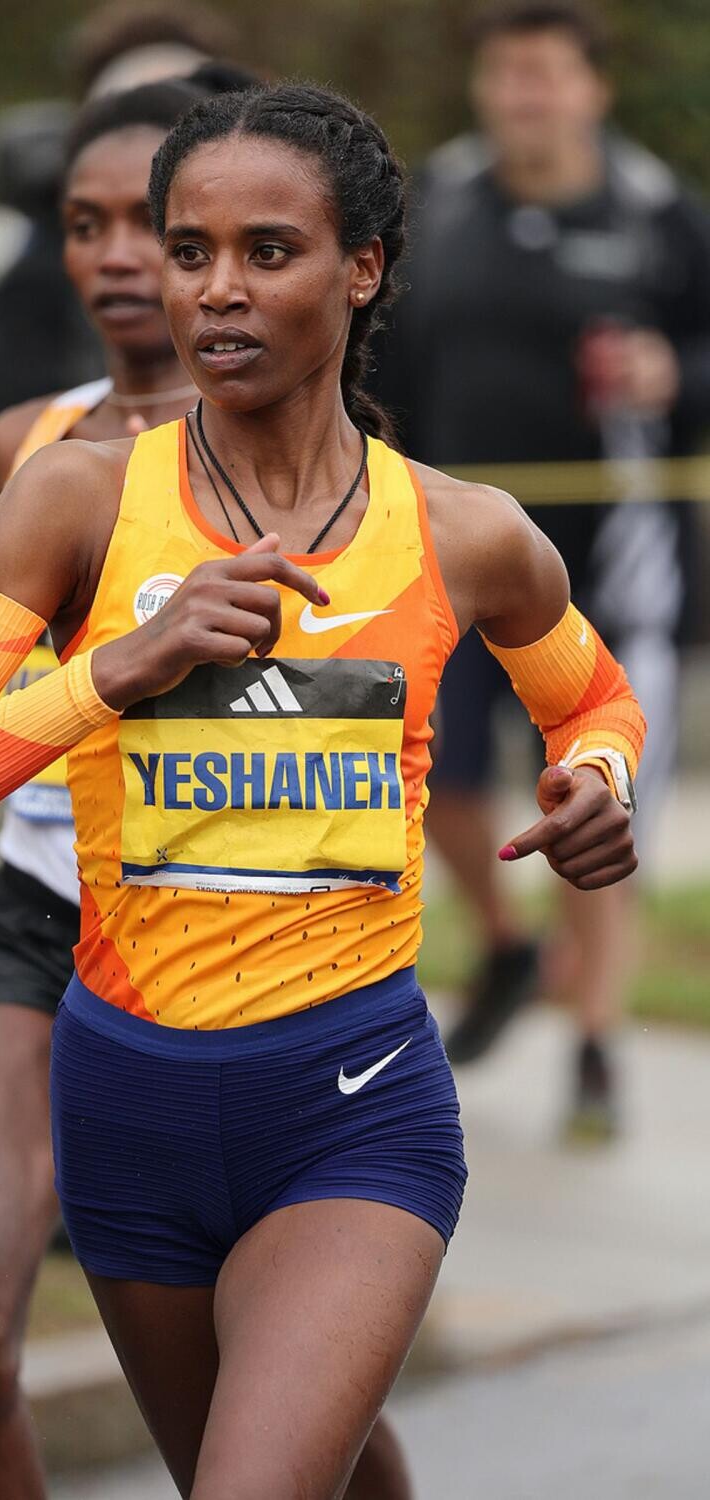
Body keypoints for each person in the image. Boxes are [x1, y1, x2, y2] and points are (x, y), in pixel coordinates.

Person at [0, 82, 642, 1500]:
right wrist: (115, 670)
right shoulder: (74, 498)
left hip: (354, 1102)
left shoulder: (466, 533)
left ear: (362, 267)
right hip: (126, 1103)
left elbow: (593, 700)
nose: (214, 289)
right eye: (188, 250)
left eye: (268, 251)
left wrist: (596, 775)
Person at [372, 0, 710, 1137]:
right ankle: (511, 943)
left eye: (548, 74)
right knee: (433, 775)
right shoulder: (438, 203)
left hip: (615, 567)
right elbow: (382, 361)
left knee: (595, 798)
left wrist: (674, 375)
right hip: (453, 558)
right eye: (507, 73)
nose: (526, 95)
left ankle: (598, 1044)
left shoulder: (659, 213)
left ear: (592, 89)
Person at [0, 1, 242, 424]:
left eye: (153, 222)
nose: (116, 258)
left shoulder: (304, 425)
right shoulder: (27, 431)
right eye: (85, 227)